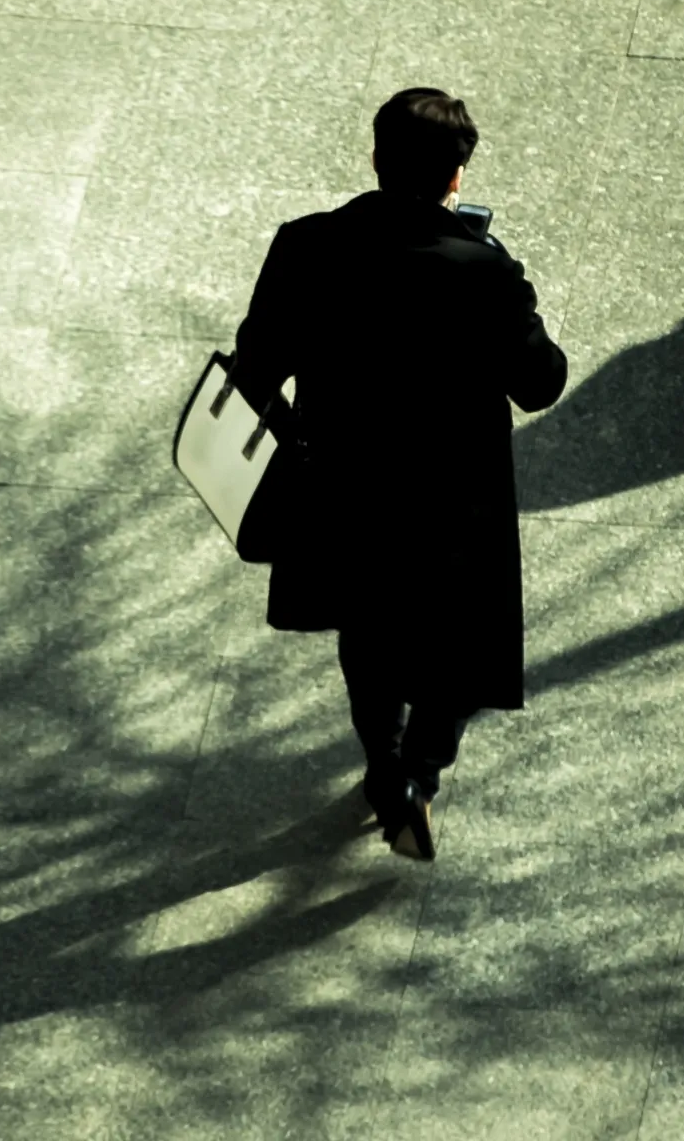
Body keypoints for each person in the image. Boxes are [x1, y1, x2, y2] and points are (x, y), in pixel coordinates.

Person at [231, 86, 568, 861]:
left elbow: (253, 375)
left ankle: (383, 765)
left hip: (342, 489)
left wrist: (301, 437)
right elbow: (539, 383)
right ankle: (421, 772)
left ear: (376, 159)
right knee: (457, 646)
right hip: (456, 503)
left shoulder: (304, 245)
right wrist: (510, 288)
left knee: (368, 629)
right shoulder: (482, 271)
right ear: (456, 178)